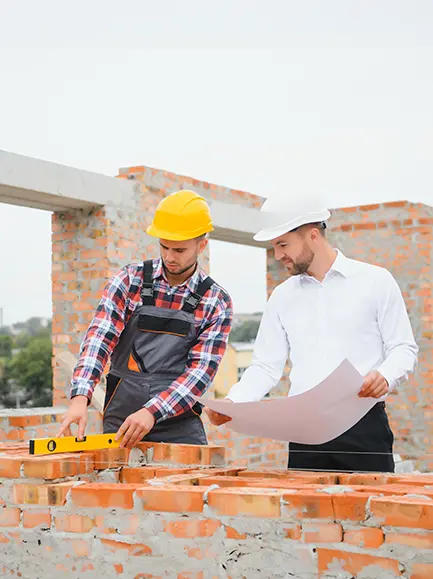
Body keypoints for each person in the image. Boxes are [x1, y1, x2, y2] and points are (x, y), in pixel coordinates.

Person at [206, 197, 418, 473]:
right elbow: (265, 366)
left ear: (313, 235)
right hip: (304, 432)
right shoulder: (282, 296)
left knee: (370, 514)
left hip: (363, 427)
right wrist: (234, 403)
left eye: (283, 245)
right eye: (274, 247)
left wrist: (386, 375)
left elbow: (403, 348)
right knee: (305, 515)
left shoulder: (375, 281)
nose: (279, 254)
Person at [58, 190, 233, 448]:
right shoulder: (130, 281)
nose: (170, 257)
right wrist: (79, 397)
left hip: (178, 423)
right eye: (164, 246)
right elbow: (99, 340)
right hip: (122, 419)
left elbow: (200, 373)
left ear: (202, 245)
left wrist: (151, 412)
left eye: (180, 249)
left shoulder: (215, 301)